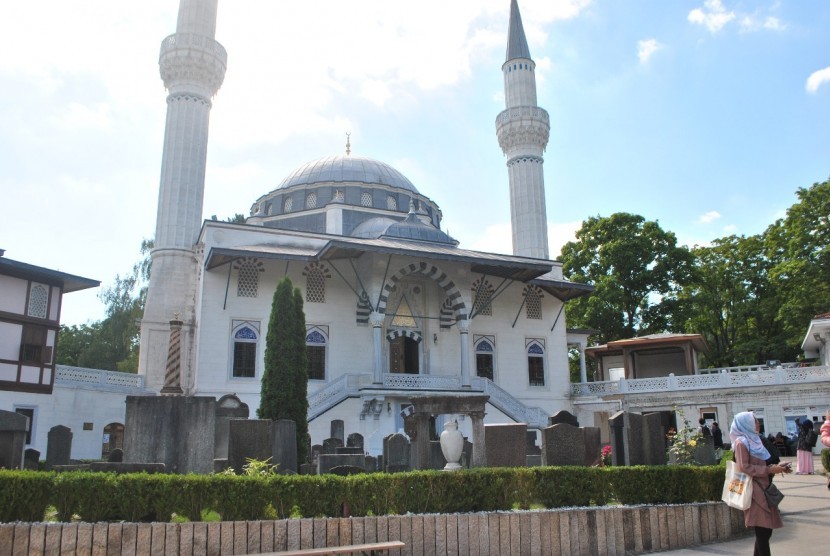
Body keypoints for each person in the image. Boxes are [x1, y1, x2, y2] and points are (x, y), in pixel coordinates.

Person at [730, 411, 791, 556]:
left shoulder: (754, 440)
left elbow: (762, 462)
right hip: (754, 491)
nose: (758, 423)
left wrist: (777, 467)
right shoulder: (741, 442)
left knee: (765, 532)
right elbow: (744, 467)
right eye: (755, 420)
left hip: (764, 488)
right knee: (763, 532)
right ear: (746, 423)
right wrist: (769, 470)